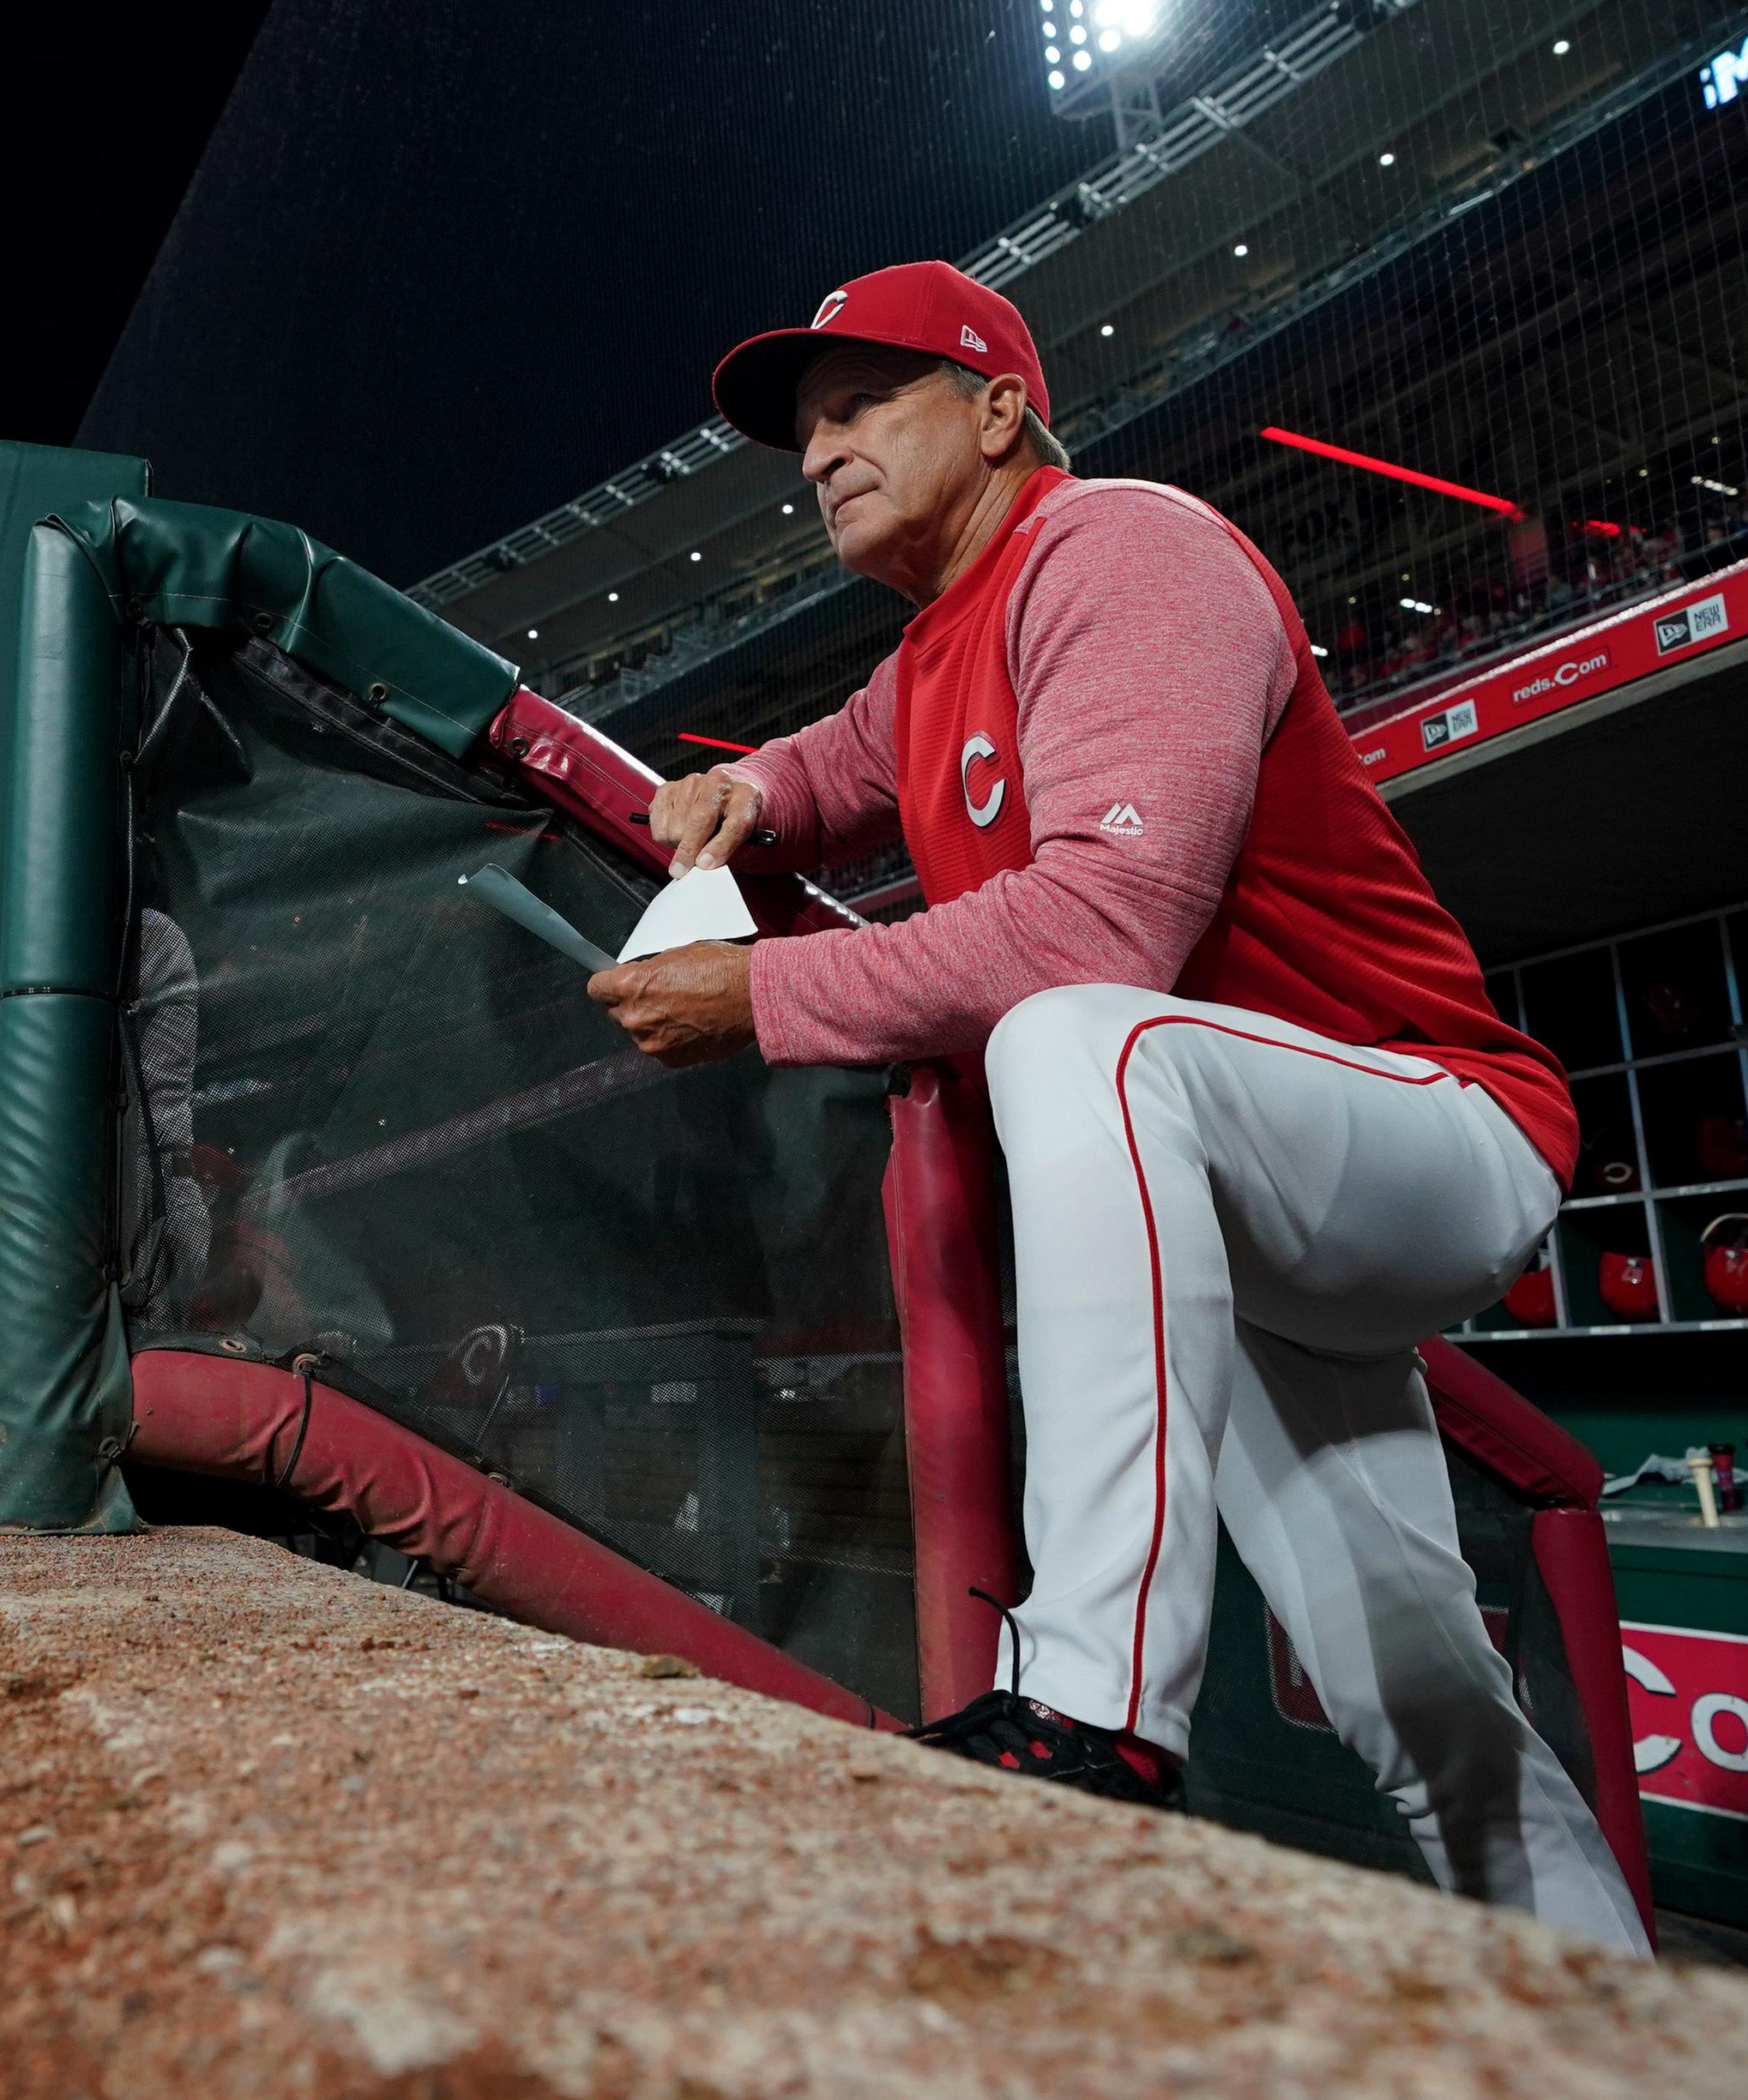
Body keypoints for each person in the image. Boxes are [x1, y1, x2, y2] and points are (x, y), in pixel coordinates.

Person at [588, 261, 1643, 1953]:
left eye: (864, 404)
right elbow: (830, 766)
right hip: (1236, 1194)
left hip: (1436, 1123)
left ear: (1000, 408)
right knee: (1428, 1705)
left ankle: (1090, 1702)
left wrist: (765, 995)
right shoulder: (935, 649)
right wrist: (746, 785)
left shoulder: (1118, 547)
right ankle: (1632, 2036)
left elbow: (1100, 928)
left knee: (1078, 1029)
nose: (818, 452)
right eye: (806, 432)